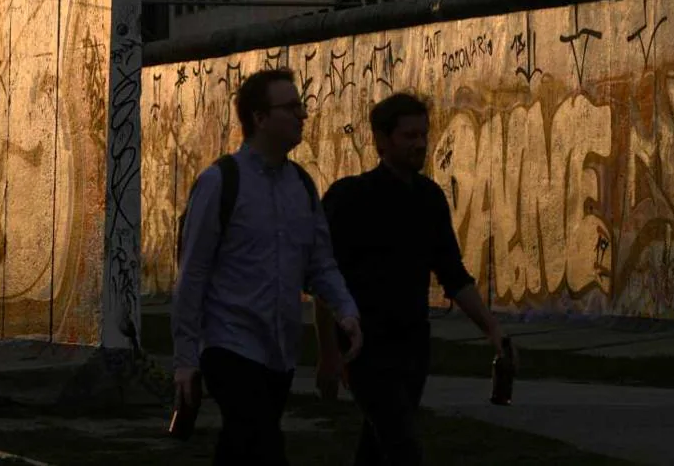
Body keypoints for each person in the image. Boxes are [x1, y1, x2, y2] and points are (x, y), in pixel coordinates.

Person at [174, 68, 363, 466]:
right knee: (262, 442)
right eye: (291, 108)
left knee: (242, 446)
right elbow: (192, 274)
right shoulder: (220, 182)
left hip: (279, 351)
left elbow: (320, 263)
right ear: (259, 118)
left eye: (301, 106)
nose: (302, 116)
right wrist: (185, 360)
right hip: (229, 344)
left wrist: (346, 311)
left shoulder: (302, 185)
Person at [315, 93, 510, 466]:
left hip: (413, 346)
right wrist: (328, 354)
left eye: (423, 134)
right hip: (363, 346)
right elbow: (325, 280)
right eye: (409, 136)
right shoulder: (350, 198)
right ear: (382, 140)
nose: (420, 144)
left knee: (379, 443)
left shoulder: (429, 198)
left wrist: (492, 330)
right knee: (402, 446)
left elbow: (453, 275)